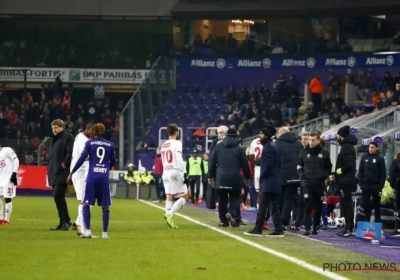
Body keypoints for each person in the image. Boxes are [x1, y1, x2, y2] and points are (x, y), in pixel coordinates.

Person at [68, 123, 116, 239]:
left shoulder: (89, 143)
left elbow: (81, 159)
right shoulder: (110, 145)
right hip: (103, 178)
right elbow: (113, 161)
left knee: (85, 204)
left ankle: (87, 231)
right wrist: (106, 168)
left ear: (94, 132)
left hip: (91, 177)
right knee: (105, 207)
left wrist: (71, 172)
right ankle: (105, 234)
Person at [245, 125, 284, 237]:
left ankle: (258, 229)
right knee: (274, 207)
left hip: (268, 181)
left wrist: (263, 176)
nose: (259, 136)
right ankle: (279, 229)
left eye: (261, 133)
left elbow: (267, 165)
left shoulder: (268, 147)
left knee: (262, 206)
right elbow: (262, 161)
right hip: (274, 180)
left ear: (266, 135)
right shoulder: (273, 145)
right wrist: (250, 158)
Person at [208, 128, 250, 227]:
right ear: (236, 136)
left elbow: (212, 162)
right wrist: (247, 176)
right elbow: (245, 164)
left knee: (222, 199)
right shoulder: (240, 148)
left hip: (220, 177)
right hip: (234, 177)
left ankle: (223, 221)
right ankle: (231, 212)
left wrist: (211, 176)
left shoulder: (218, 147)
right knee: (234, 199)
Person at [298, 131, 332, 235]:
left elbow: (329, 167)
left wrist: (324, 176)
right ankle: (308, 227)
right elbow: (299, 166)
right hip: (307, 184)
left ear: (318, 140)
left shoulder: (325, 153)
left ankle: (315, 227)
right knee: (307, 205)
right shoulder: (303, 152)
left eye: (313, 140)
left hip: (319, 184)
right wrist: (302, 177)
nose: (311, 142)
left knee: (318, 206)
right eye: (309, 140)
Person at [47, 119, 74, 230]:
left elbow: (70, 152)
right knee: (58, 197)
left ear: (62, 127)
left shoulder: (68, 137)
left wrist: (64, 164)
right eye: (53, 128)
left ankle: (66, 221)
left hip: (63, 172)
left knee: (58, 195)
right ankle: (63, 222)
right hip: (54, 171)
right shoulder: (54, 139)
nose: (54, 130)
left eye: (56, 128)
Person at [161, 124, 190, 228]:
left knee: (169, 196)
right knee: (185, 196)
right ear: (176, 132)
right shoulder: (177, 143)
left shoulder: (164, 145)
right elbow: (178, 158)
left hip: (165, 172)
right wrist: (185, 172)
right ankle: (169, 214)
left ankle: (171, 222)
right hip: (175, 171)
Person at [70, 122, 96, 236]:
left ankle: (77, 223)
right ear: (88, 129)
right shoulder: (84, 141)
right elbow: (85, 157)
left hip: (81, 172)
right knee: (85, 202)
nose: (94, 135)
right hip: (79, 173)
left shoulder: (80, 135)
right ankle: (83, 230)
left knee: (88, 201)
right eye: (93, 132)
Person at [274, 127, 303, 229]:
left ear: (280, 133)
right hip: (295, 175)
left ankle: (281, 221)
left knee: (281, 199)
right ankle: (285, 221)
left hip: (281, 175)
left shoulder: (277, 144)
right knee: (289, 200)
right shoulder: (299, 143)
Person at [335, 125, 357, 237]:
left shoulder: (346, 147)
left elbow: (349, 164)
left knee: (347, 205)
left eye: (338, 135)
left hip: (345, 181)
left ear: (342, 136)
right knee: (346, 204)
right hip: (346, 180)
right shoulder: (349, 146)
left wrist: (338, 171)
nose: (337, 137)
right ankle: (348, 228)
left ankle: (348, 229)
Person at [358, 142, 386, 230]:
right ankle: (366, 225)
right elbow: (360, 171)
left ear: (376, 148)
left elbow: (383, 173)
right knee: (365, 205)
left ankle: (377, 226)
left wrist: (380, 186)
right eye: (370, 147)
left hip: (376, 186)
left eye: (373, 147)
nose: (370, 149)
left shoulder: (380, 159)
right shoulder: (364, 157)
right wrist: (361, 184)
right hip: (366, 186)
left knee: (377, 206)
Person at [290, 132, 309, 231]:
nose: (304, 140)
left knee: (311, 203)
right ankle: (297, 223)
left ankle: (311, 224)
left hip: (314, 182)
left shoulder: (319, 152)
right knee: (300, 202)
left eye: (306, 138)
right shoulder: (301, 151)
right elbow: (299, 166)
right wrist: (302, 176)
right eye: (302, 139)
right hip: (303, 181)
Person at [0, 144, 19, 225]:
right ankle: (0, 218)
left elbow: (16, 160)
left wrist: (14, 173)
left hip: (9, 178)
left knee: (7, 198)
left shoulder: (6, 150)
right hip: (1, 179)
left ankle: (6, 220)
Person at [389, 152, 400, 236]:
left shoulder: (396, 161)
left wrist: (394, 187)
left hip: (399, 187)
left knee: (398, 208)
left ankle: (398, 229)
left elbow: (393, 175)